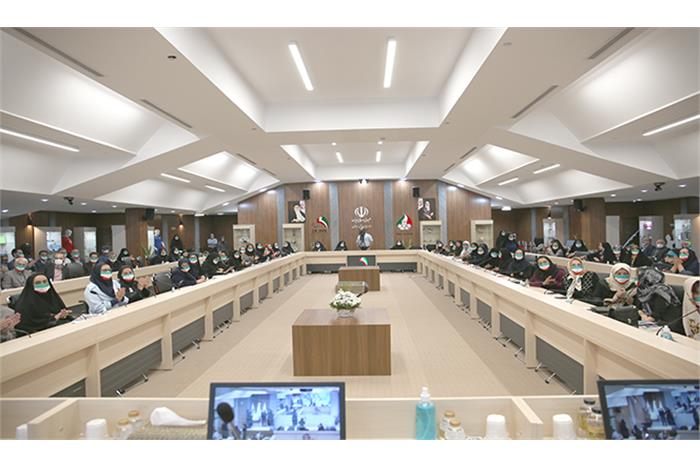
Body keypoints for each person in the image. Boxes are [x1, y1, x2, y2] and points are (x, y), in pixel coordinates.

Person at [635, 267, 684, 334]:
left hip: (667, 326)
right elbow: (637, 307)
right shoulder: (645, 291)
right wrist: (642, 314)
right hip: (655, 324)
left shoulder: (661, 293)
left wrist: (642, 315)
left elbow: (653, 318)